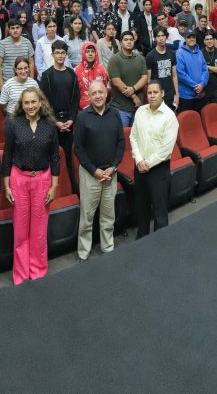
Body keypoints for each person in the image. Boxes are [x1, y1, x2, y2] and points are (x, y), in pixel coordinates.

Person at [2, 86, 60, 285]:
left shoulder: (50, 125)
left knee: (39, 231)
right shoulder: (13, 124)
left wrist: (54, 186)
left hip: (43, 180)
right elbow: (7, 156)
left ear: (40, 102)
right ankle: (20, 274)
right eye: (26, 103)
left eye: (33, 102)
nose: (30, 106)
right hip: (19, 180)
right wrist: (7, 186)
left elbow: (55, 157)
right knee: (20, 230)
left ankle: (38, 271)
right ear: (21, 104)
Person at [73, 81, 124, 261]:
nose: (98, 96)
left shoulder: (115, 114)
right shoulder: (83, 117)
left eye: (100, 92)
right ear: (89, 95)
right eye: (93, 93)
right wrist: (94, 171)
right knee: (87, 218)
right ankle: (83, 253)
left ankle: (107, 248)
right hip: (90, 176)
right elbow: (78, 148)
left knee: (108, 216)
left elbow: (121, 144)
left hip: (110, 174)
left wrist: (114, 167)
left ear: (106, 93)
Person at [130, 82, 179, 238]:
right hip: (139, 168)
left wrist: (147, 163)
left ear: (162, 93)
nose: (151, 96)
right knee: (141, 209)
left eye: (155, 92)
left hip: (158, 170)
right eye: (149, 93)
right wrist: (138, 160)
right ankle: (142, 238)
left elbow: (166, 149)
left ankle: (160, 243)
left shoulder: (170, 117)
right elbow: (133, 137)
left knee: (160, 212)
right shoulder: (140, 112)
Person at [107, 31, 148, 127]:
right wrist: (133, 96)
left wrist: (133, 88)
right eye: (126, 40)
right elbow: (117, 82)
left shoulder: (140, 58)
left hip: (139, 107)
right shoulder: (114, 59)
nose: (129, 42)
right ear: (120, 43)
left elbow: (145, 77)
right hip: (121, 108)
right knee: (123, 138)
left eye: (131, 39)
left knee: (136, 139)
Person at [146, 26, 179, 110]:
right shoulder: (150, 56)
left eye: (163, 35)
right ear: (155, 38)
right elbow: (148, 80)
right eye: (158, 36)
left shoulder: (172, 53)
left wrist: (177, 94)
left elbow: (174, 76)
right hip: (157, 96)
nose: (161, 38)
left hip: (170, 94)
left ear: (166, 37)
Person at [176, 30, 209, 112]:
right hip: (186, 96)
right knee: (186, 121)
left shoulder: (200, 53)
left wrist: (202, 84)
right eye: (189, 37)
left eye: (193, 37)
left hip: (200, 94)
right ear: (185, 39)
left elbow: (205, 70)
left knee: (198, 121)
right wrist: (196, 86)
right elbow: (181, 74)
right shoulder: (179, 53)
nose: (191, 39)